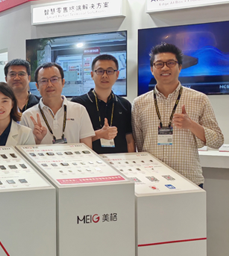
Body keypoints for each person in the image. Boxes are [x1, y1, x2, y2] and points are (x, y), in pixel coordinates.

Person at [132, 43, 224, 187]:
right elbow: (139, 144)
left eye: (170, 63)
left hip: (188, 179)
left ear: (180, 67)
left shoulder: (199, 99)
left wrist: (191, 125)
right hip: (152, 181)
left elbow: (217, 140)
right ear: (151, 69)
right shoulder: (139, 103)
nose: (165, 68)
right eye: (159, 64)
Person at [20, 62, 94, 147]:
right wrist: (37, 140)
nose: (49, 84)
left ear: (63, 82)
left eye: (54, 79)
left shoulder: (79, 110)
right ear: (37, 86)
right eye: (44, 81)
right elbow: (25, 151)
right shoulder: (27, 116)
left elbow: (87, 147)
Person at [72, 54, 135, 154]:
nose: (105, 75)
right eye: (100, 71)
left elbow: (129, 140)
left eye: (109, 71)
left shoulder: (125, 105)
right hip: (90, 160)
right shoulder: (78, 104)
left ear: (117, 74)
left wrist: (132, 160)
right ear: (92, 74)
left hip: (120, 161)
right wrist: (99, 134)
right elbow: (73, 139)